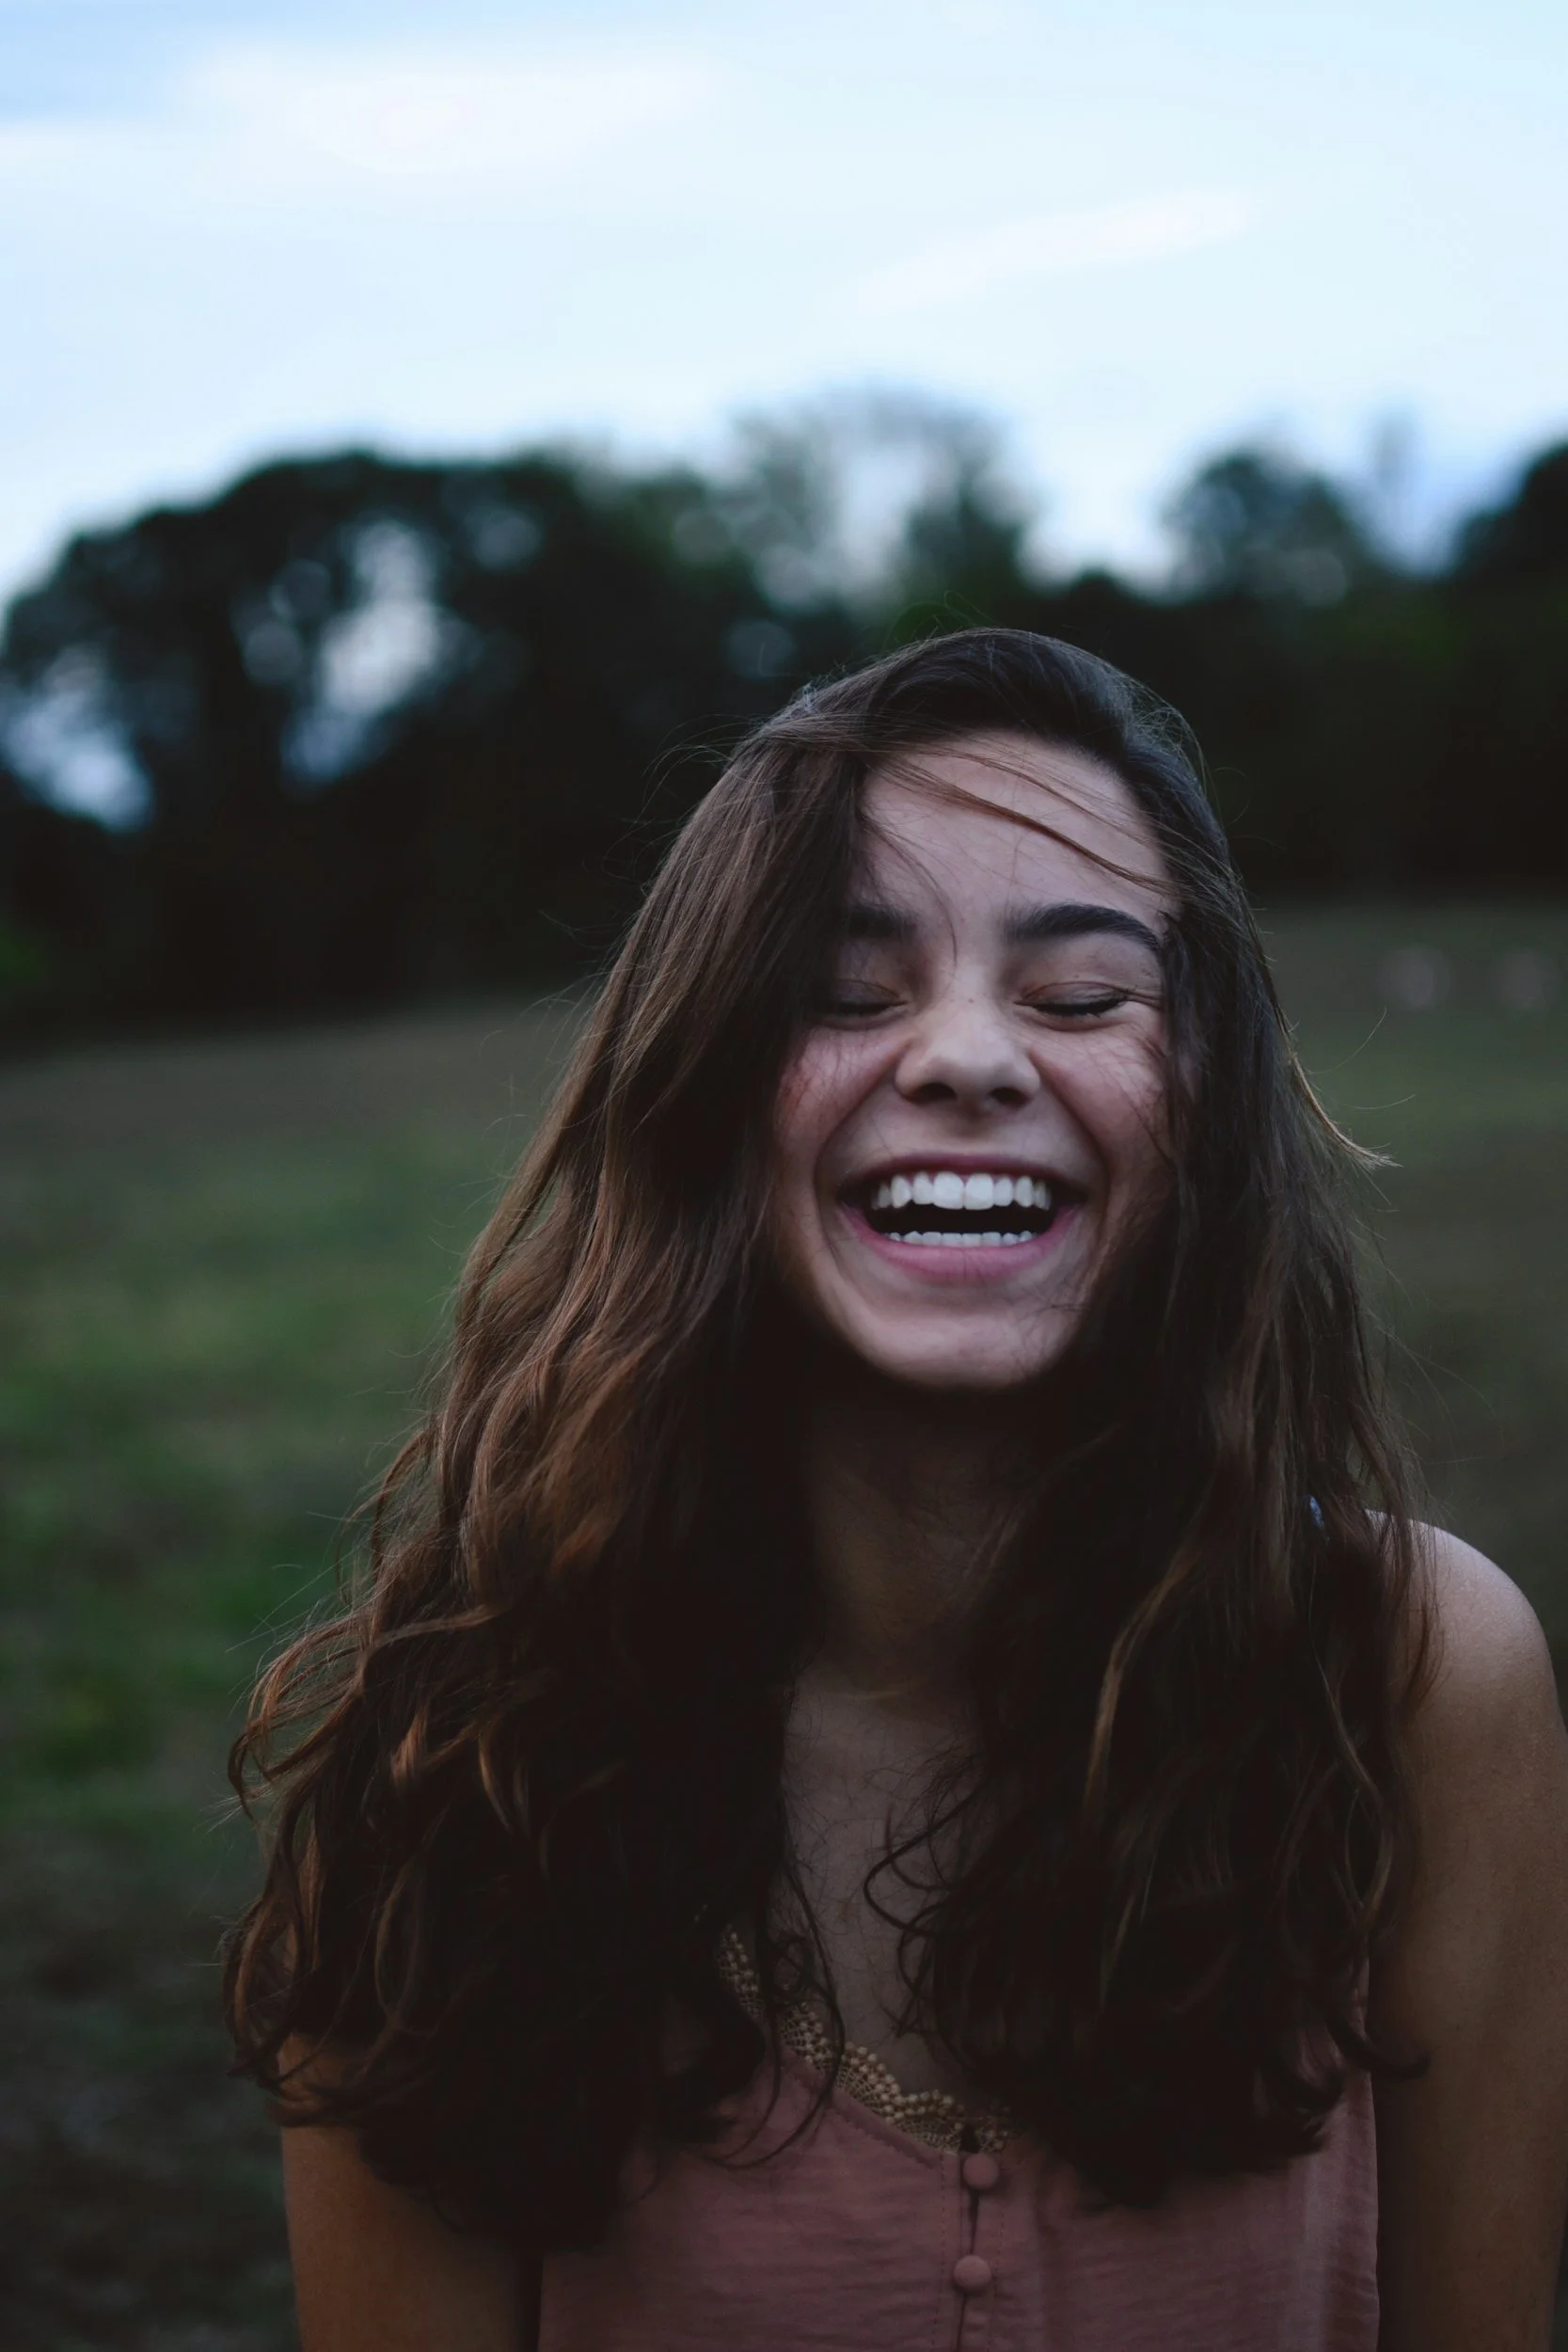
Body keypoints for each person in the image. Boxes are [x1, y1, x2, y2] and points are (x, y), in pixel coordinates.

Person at [226, 629, 1568, 2351]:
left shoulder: (1419, 1681)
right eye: (844, 992)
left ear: (1205, 1100)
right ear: (704, 1096)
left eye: (1081, 996)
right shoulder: (453, 1764)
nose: (966, 1058)